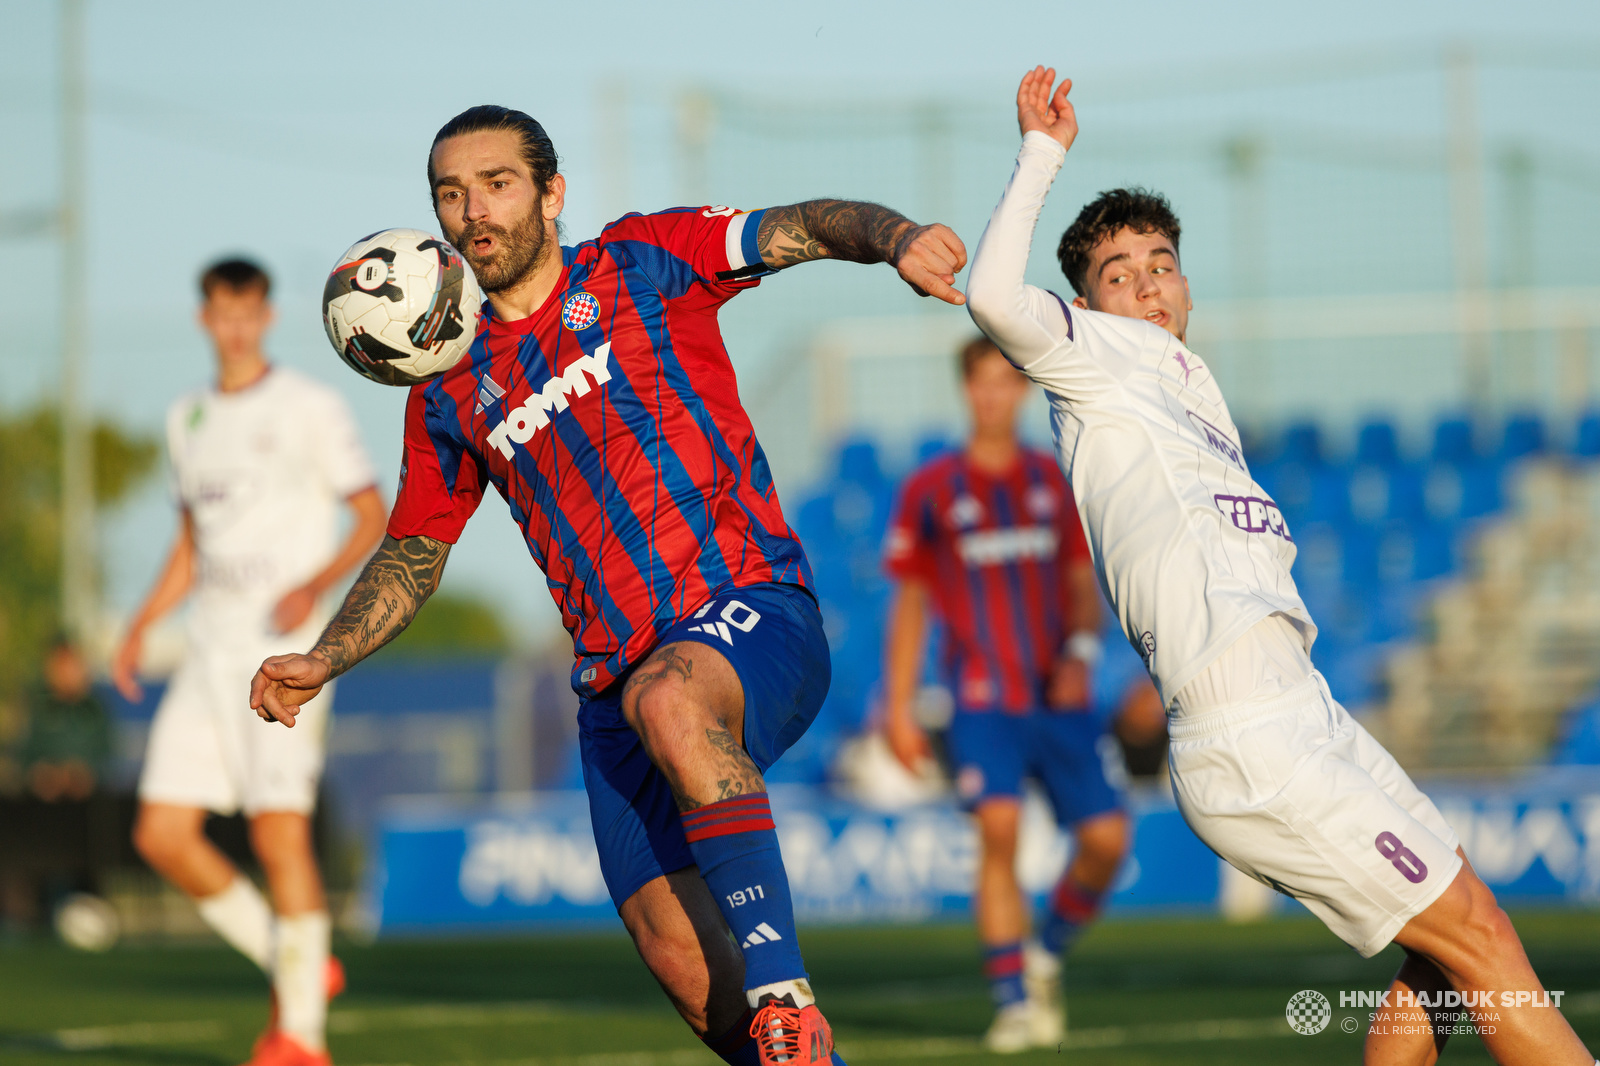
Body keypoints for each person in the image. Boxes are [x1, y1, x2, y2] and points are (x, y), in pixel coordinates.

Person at [249, 106, 967, 1066]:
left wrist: (898, 240)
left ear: (550, 194)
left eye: (496, 184)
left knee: (673, 698)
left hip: (752, 611)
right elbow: (414, 550)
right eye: (450, 195)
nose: (473, 213)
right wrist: (323, 656)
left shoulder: (645, 262)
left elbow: (801, 223)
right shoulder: (448, 388)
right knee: (679, 958)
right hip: (611, 686)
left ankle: (789, 995)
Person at [965, 66, 1594, 1065]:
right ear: (1084, 307)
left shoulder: (1184, 390)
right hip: (1250, 736)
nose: (1143, 282)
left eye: (1159, 261)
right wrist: (1042, 151)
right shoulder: (1094, 366)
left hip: (1306, 715)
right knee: (1480, 941)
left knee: (1446, 953)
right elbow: (992, 293)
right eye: (1115, 273)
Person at [113, 258, 386, 1066]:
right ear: (204, 318)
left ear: (266, 315)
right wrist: (140, 624)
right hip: (206, 651)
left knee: (277, 835)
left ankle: (300, 1036)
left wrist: (313, 586)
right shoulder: (186, 417)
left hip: (283, 657)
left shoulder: (308, 406)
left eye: (248, 311)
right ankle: (294, 960)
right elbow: (191, 545)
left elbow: (370, 514)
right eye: (220, 312)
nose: (235, 326)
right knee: (161, 833)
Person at [880, 335, 1126, 1051]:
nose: (992, 397)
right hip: (981, 696)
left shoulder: (1053, 481)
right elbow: (911, 604)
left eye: (1004, 383)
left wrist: (1081, 651)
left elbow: (1084, 585)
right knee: (998, 833)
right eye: (980, 384)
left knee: (1107, 841)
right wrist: (898, 706)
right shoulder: (929, 490)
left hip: (1060, 694)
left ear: (1021, 391)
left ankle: (1044, 953)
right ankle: (1014, 1001)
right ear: (967, 391)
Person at [20, 636, 112, 803]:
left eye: (72, 666)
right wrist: (40, 774)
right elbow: (22, 756)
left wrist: (86, 775)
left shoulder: (96, 708)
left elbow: (111, 758)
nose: (67, 673)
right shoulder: (37, 707)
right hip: (40, 807)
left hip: (90, 809)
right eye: (60, 666)